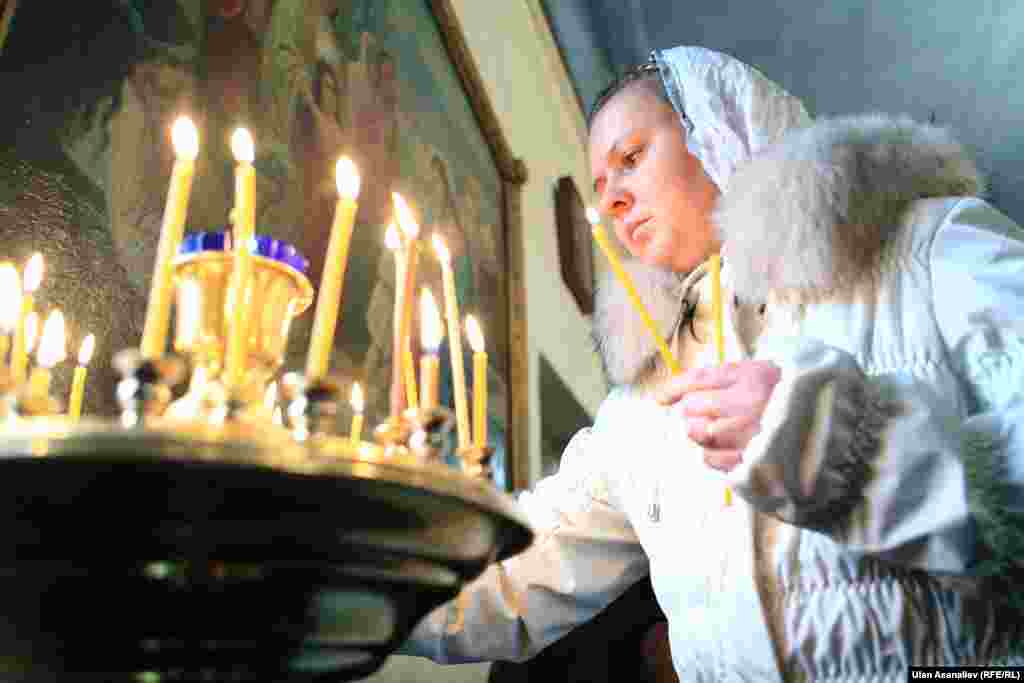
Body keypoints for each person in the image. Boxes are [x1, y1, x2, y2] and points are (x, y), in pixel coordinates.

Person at [401, 45, 1024, 680]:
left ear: (719, 127)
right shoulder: (638, 409)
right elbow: (518, 572)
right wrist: (357, 575)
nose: (613, 200)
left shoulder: (919, 250)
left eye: (632, 157)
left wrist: (846, 447)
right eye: (601, 185)